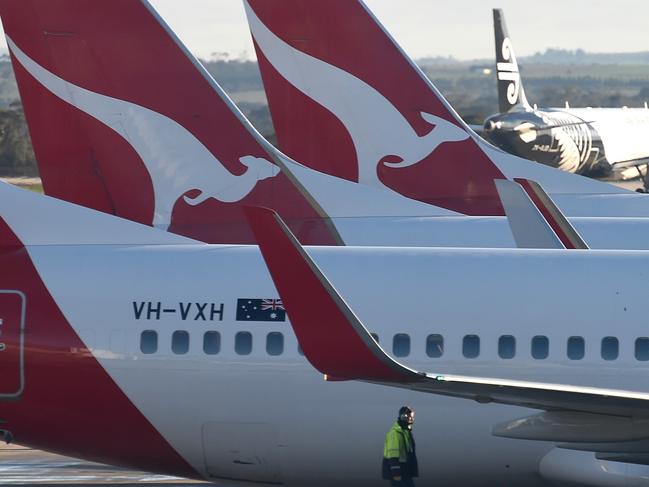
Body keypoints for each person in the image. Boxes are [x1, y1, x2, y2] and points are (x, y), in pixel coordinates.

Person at [382, 406, 418, 486]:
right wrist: (396, 472)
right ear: (403, 417)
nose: (411, 419)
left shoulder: (406, 432)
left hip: (405, 470)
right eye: (408, 416)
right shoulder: (395, 433)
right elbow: (393, 453)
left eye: (411, 416)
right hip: (398, 471)